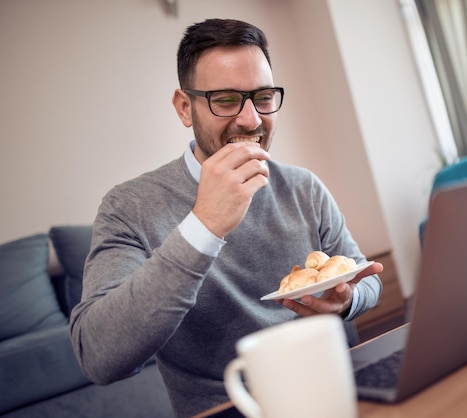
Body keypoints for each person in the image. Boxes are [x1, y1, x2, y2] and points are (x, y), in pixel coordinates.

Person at [69, 18, 383, 417]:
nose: (251, 120)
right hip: (230, 408)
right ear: (186, 107)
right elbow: (97, 356)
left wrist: (347, 300)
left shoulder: (303, 187)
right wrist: (204, 226)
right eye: (225, 99)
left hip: (333, 390)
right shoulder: (129, 207)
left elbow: (366, 279)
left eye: (263, 96)